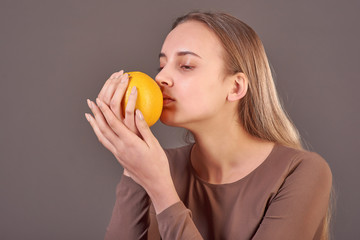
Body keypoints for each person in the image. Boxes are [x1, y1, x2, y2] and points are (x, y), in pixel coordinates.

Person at [85, 11, 332, 240]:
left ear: (235, 87)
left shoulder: (301, 172)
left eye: (186, 66)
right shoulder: (155, 165)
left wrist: (161, 190)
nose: (160, 78)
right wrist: (133, 167)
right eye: (161, 66)